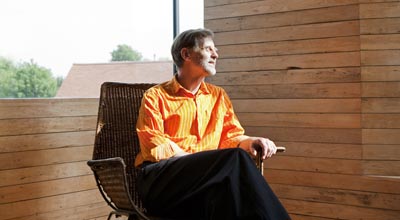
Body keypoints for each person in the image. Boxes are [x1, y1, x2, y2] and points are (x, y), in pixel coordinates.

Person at [135, 28, 291, 220]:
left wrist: (251, 141)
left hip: (206, 180)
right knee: (234, 159)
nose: (216, 54)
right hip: (159, 181)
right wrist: (203, 162)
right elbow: (154, 143)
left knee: (231, 193)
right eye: (208, 49)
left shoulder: (218, 96)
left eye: (215, 50)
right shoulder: (155, 96)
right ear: (186, 54)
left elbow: (231, 136)